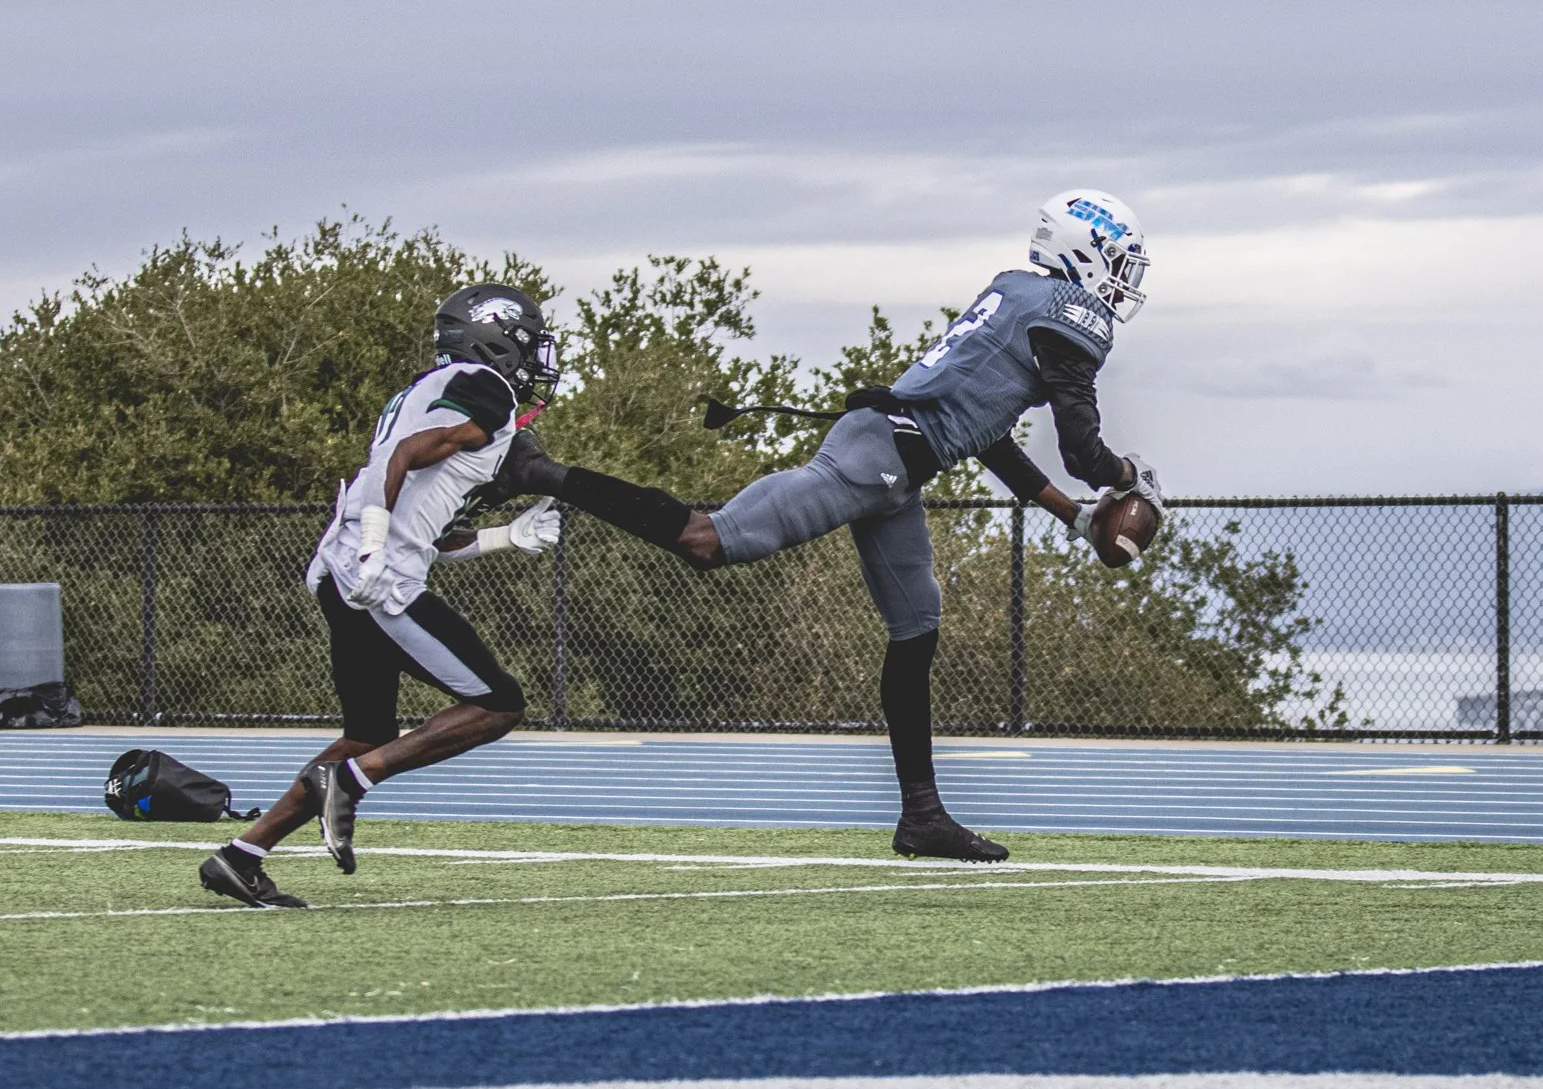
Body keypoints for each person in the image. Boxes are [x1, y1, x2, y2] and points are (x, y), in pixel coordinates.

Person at [494, 190, 1162, 863]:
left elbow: (985, 433)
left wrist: (1075, 515)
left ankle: (923, 815)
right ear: (1087, 249)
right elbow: (1083, 452)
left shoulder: (1021, 293)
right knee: (707, 539)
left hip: (897, 465)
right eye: (1119, 260)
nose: (1123, 278)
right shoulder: (1069, 313)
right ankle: (539, 471)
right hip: (877, 460)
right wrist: (1129, 473)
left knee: (917, 625)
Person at [198, 284, 565, 908]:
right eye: (527, 345)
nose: (534, 361)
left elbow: (427, 530)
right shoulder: (487, 387)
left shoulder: (427, 394)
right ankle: (351, 783)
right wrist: (374, 546)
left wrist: (505, 537)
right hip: (377, 577)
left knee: (367, 731)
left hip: (343, 572)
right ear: (495, 340)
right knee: (498, 705)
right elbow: (403, 457)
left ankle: (241, 856)